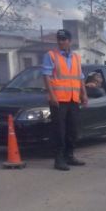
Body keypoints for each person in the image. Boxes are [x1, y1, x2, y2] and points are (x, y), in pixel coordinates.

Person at [42, 29, 87, 171]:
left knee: (72, 129)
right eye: (59, 39)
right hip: (59, 100)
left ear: (70, 41)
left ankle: (70, 155)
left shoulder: (76, 57)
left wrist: (84, 94)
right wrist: (52, 96)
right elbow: (46, 77)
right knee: (59, 130)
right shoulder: (51, 55)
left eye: (64, 39)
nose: (61, 42)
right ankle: (59, 159)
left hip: (73, 98)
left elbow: (80, 77)